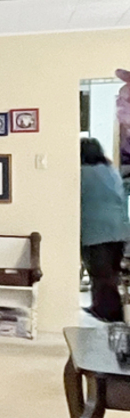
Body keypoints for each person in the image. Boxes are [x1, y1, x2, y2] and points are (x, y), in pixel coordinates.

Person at [80, 137, 130, 321]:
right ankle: (105, 308)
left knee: (100, 274)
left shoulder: (82, 174)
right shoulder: (112, 171)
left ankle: (109, 312)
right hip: (119, 229)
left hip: (95, 231)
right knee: (111, 273)